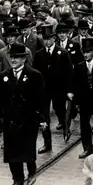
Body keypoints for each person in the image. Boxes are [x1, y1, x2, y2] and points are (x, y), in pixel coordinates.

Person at [0, 43, 47, 185]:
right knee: (11, 151)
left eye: (17, 57)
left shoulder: (34, 75)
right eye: (12, 57)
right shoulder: (5, 75)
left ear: (24, 58)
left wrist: (42, 119)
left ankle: (31, 171)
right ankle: (17, 180)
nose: (14, 59)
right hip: (10, 120)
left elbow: (41, 99)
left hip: (29, 119)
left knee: (27, 148)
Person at [33, 24, 74, 153]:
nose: (46, 41)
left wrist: (69, 90)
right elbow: (35, 73)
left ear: (54, 39)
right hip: (44, 90)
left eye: (49, 38)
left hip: (59, 89)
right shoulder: (39, 54)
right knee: (44, 117)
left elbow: (69, 73)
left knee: (60, 109)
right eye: (44, 39)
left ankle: (65, 126)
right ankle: (47, 143)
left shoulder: (62, 52)